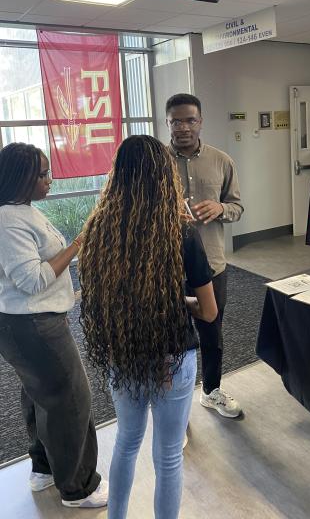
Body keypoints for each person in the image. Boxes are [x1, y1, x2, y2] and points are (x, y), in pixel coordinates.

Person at [78, 135, 217, 519]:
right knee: (169, 455)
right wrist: (175, 301)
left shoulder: (97, 233)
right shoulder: (182, 233)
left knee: (125, 442)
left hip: (123, 353)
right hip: (173, 354)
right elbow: (209, 311)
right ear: (164, 176)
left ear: (117, 176)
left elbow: (105, 299)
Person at [0, 142, 107, 509]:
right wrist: (78, 243)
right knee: (71, 399)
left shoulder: (20, 211)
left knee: (39, 395)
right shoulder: (8, 220)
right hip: (33, 325)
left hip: (26, 323)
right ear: (22, 178)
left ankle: (44, 468)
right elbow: (32, 280)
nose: (50, 179)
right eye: (43, 174)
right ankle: (78, 487)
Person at [166, 93, 244, 418]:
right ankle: (174, 406)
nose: (183, 127)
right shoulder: (156, 161)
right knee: (171, 342)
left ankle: (211, 391)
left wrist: (220, 208)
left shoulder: (221, 160)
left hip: (211, 266)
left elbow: (237, 207)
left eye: (189, 120)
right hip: (166, 269)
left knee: (212, 332)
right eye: (176, 121)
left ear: (200, 121)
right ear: (167, 123)